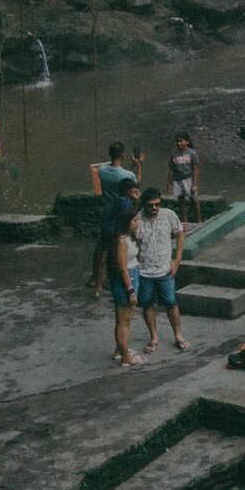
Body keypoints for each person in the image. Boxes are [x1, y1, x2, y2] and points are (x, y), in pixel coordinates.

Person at [135, 187, 188, 351]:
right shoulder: (136, 220)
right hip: (143, 271)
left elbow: (179, 234)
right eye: (150, 205)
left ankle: (178, 334)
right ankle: (154, 337)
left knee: (171, 302)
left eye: (157, 204)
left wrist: (177, 261)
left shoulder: (169, 215)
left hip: (165, 270)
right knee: (147, 304)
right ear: (143, 204)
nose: (154, 208)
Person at [88, 140, 141, 296]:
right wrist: (138, 165)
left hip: (107, 213)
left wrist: (129, 167)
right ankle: (120, 282)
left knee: (102, 250)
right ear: (123, 155)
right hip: (120, 218)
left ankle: (96, 282)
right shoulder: (128, 177)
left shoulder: (102, 171)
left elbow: (120, 179)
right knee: (120, 250)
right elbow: (135, 183)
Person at [108, 202, 145, 368]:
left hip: (133, 275)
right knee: (124, 321)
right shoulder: (121, 241)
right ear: (126, 222)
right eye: (134, 220)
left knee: (124, 319)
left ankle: (120, 350)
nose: (137, 223)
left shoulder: (129, 237)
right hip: (126, 280)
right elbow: (122, 268)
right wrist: (131, 291)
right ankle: (126, 357)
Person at [166, 132, 201, 226]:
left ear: (187, 142)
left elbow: (195, 169)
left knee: (194, 200)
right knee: (181, 201)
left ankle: (199, 221)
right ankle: (185, 221)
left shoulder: (192, 153)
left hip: (188, 179)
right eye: (177, 141)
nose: (179, 143)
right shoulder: (174, 154)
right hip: (177, 180)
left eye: (181, 141)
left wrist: (194, 184)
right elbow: (171, 170)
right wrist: (169, 184)